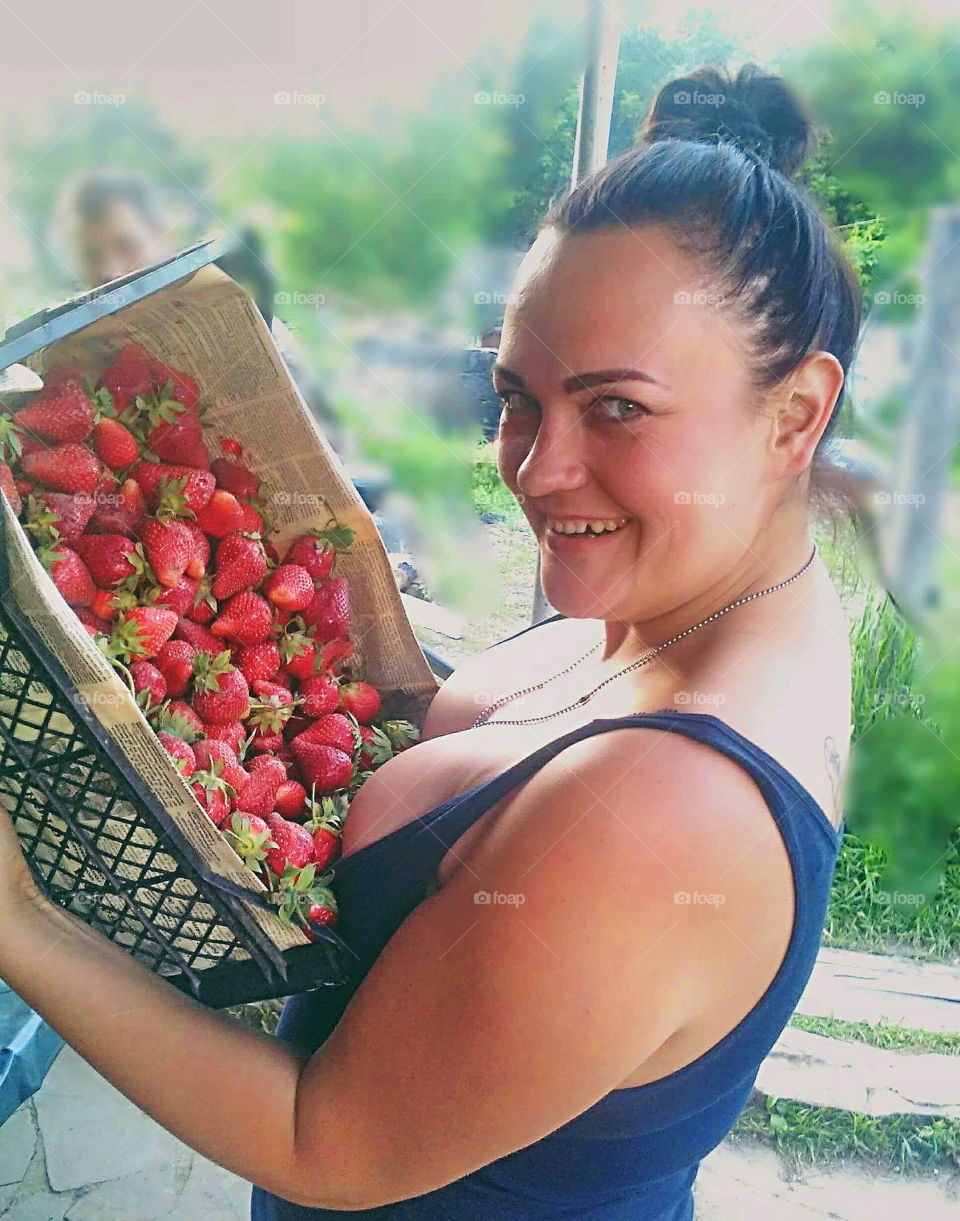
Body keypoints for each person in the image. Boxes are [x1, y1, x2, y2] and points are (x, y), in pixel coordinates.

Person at [0, 63, 862, 1218]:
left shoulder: (676, 815)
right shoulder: (706, 604)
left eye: (618, 407)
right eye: (519, 396)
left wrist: (22, 928)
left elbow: (328, 1145)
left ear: (796, 413)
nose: (537, 469)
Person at [52, 168, 345, 452]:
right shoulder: (76, 352)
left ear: (165, 237)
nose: (109, 271)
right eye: (91, 256)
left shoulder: (247, 320)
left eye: (126, 245)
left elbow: (333, 443)